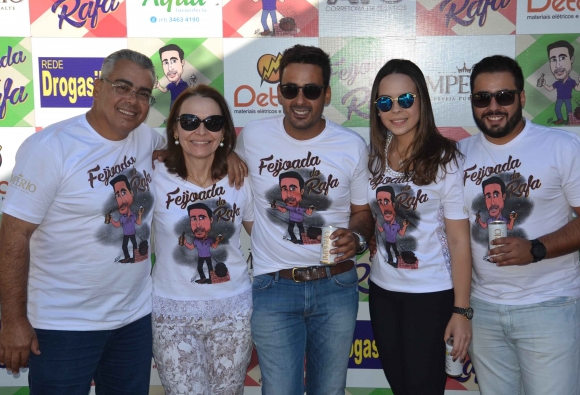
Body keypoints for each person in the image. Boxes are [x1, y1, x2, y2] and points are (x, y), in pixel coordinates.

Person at [0, 49, 164, 394]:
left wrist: (227, 157)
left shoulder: (147, 139)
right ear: (97, 87)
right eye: (122, 87)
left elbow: (192, 148)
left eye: (143, 93)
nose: (132, 101)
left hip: (133, 321)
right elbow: (13, 236)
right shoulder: (51, 147)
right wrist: (13, 321)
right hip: (63, 327)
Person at [461, 55, 580, 395]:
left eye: (504, 96)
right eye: (482, 98)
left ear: (522, 97)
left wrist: (536, 249)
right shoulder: (458, 155)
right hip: (483, 308)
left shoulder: (561, 146)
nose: (493, 107)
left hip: (549, 306)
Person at [236, 44, 374, 394]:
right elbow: (212, 168)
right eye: (290, 89)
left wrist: (357, 239)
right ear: (278, 93)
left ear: (326, 94)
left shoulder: (351, 145)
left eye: (311, 90)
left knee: (329, 390)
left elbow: (362, 213)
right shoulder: (252, 137)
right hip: (273, 288)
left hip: (336, 286)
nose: (300, 100)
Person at [363, 59, 472, 394]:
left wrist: (461, 310)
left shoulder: (446, 159)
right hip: (382, 292)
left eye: (406, 100)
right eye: (386, 102)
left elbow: (459, 241)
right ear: (377, 109)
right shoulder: (372, 157)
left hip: (431, 295)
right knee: (400, 387)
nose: (396, 109)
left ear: (422, 101)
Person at [152, 84, 254, 393]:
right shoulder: (152, 172)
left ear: (224, 131)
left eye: (213, 122)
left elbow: (264, 237)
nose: (201, 130)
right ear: (174, 129)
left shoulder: (240, 178)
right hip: (171, 315)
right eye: (189, 122)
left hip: (232, 312)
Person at [536, 40, 580, 125]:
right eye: (553, 60)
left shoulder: (571, 81)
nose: (557, 65)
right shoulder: (557, 83)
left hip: (567, 98)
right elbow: (550, 89)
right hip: (559, 98)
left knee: (569, 110)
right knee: (557, 109)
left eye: (562, 58)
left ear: (571, 59)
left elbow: (578, 89)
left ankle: (570, 120)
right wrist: (544, 84)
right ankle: (560, 118)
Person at [155, 44, 189, 109]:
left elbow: (189, 92)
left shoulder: (184, 84)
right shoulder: (170, 85)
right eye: (166, 63)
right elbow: (164, 90)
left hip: (182, 102)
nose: (170, 68)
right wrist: (158, 86)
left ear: (182, 62)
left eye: (173, 61)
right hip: (173, 102)